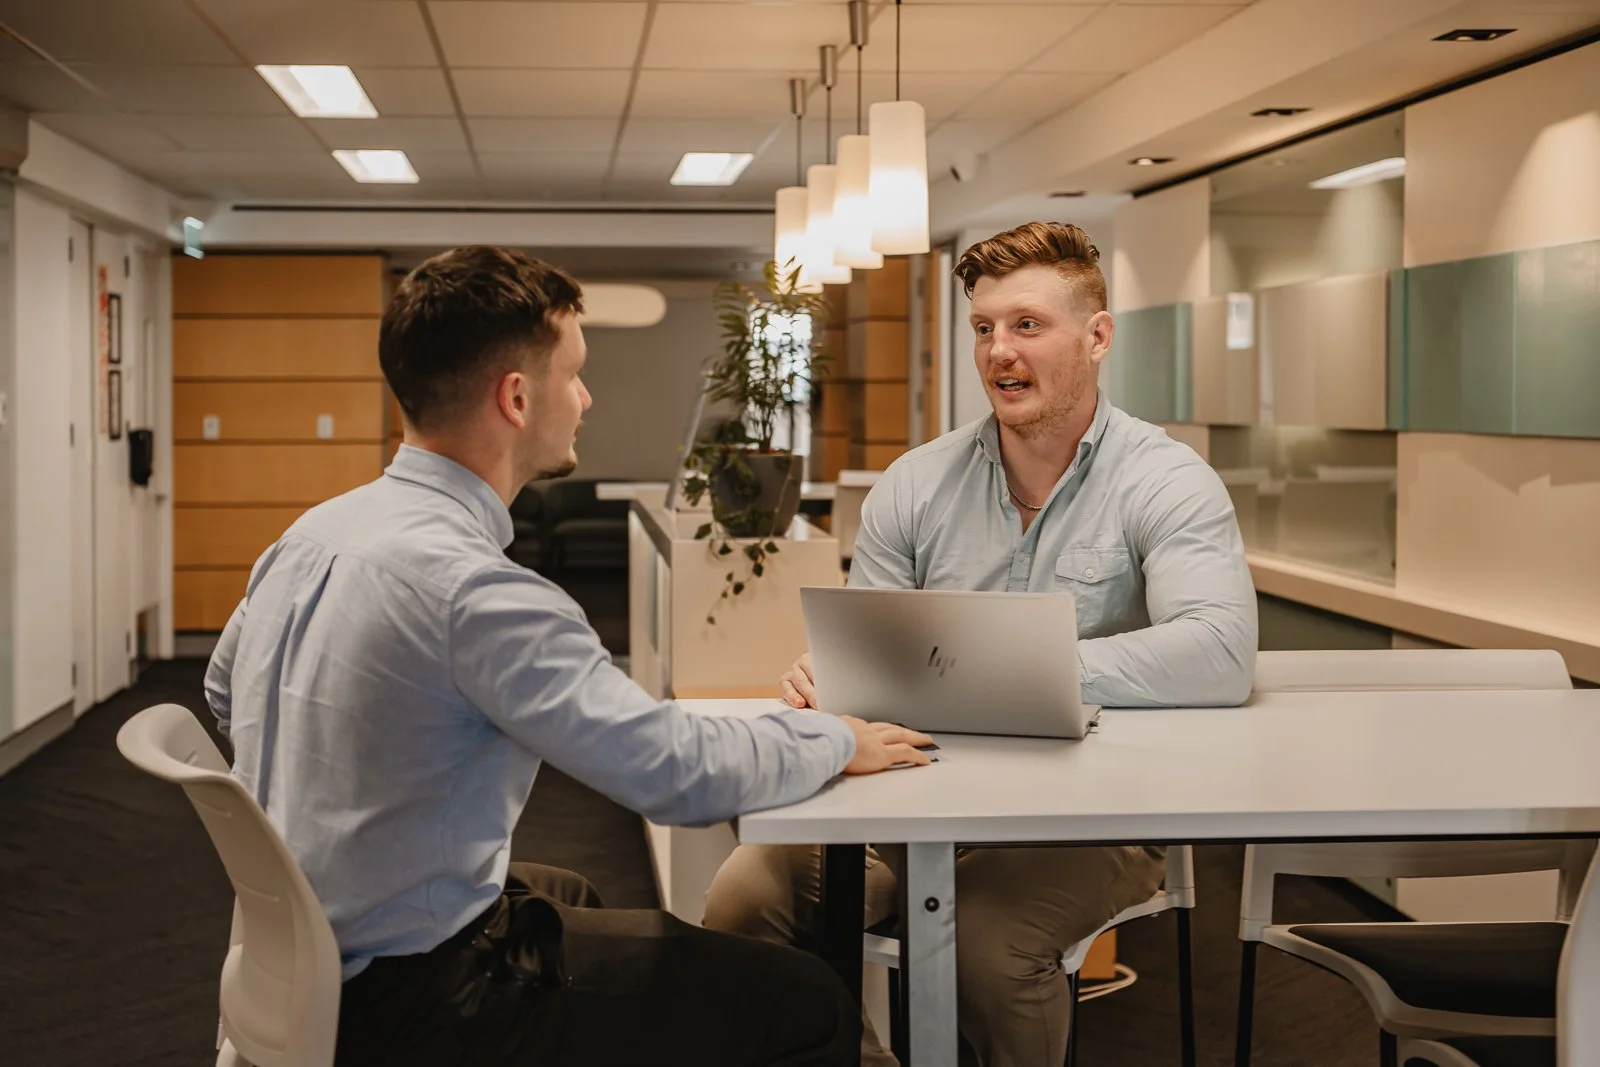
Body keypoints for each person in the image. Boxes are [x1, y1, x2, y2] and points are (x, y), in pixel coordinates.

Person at [202, 245, 935, 1067]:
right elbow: (672, 772)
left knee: (572, 896)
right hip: (415, 1001)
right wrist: (839, 738)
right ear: (516, 397)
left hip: (294, 955)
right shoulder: (479, 593)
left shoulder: (314, 531)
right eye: (576, 374)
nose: (586, 398)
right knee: (810, 1002)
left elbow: (225, 688)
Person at [704, 221, 1257, 1066]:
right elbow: (870, 648)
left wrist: (1014, 670)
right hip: (920, 790)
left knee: (984, 945)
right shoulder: (917, 482)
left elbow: (1219, 651)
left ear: (1098, 335)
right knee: (746, 897)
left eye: (1028, 325)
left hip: (1094, 814)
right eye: (984, 327)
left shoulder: (1165, 479)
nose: (1000, 351)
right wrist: (835, 675)